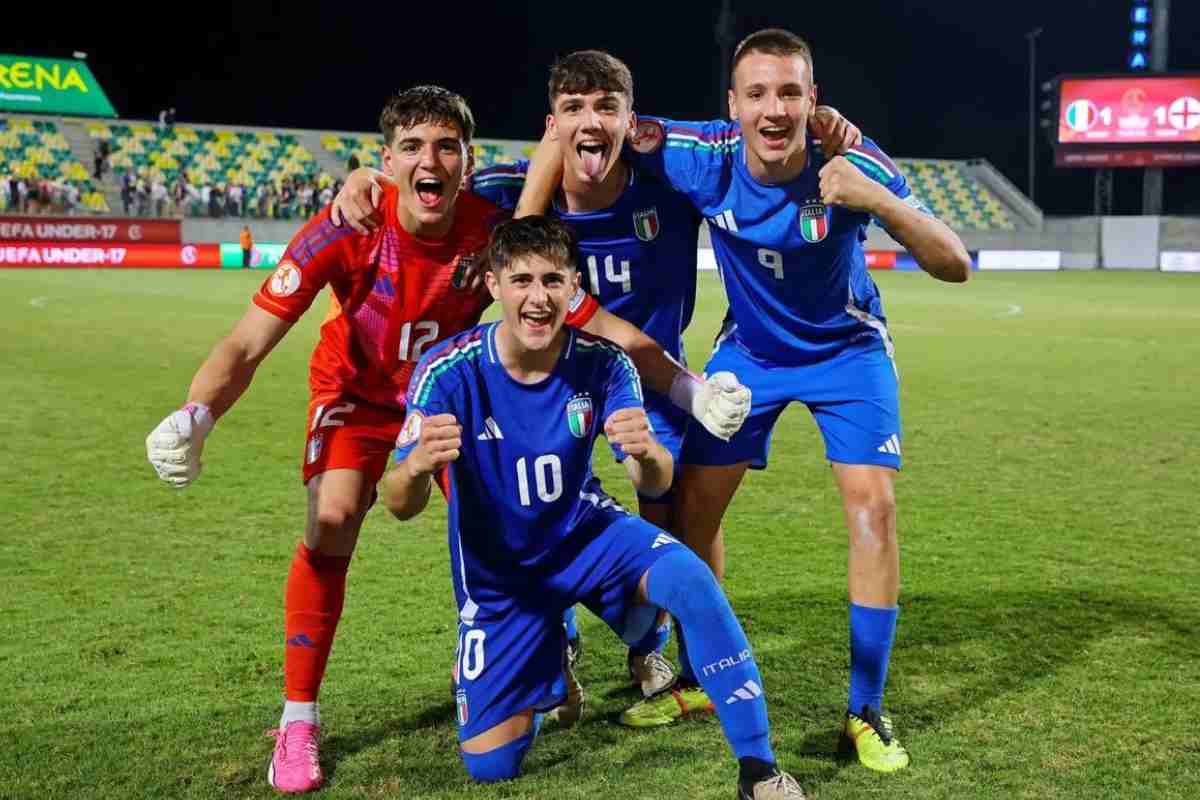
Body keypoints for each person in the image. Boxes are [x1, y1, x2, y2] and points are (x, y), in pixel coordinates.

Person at [145, 85, 750, 796]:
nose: (428, 162)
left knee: (537, 509)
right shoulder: (348, 225)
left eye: (445, 147)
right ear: (386, 160)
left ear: (468, 160)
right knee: (333, 518)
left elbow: (595, 321)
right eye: (410, 148)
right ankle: (299, 716)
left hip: (456, 401)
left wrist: (686, 389)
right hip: (360, 401)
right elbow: (248, 342)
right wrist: (196, 415)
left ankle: (604, 641)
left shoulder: (491, 234)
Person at [332, 52, 860, 719]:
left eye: (606, 107)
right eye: (573, 110)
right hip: (545, 390)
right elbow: (425, 183)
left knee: (673, 515)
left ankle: (663, 652)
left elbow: (752, 154)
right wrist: (363, 179)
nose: (591, 122)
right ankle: (551, 639)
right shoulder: (508, 188)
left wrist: (823, 125)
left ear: (629, 121)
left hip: (650, 381)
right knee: (526, 509)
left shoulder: (666, 187)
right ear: (552, 129)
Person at [515, 29, 969, 772]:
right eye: (757, 93)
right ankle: (695, 677)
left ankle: (865, 709)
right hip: (750, 353)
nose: (774, 109)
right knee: (693, 508)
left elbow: (954, 264)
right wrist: (527, 217)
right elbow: (575, 131)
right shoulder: (697, 153)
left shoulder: (849, 161)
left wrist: (877, 196)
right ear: (733, 105)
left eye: (790, 92)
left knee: (872, 508)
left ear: (813, 100)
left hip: (846, 352)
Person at [382, 215, 806, 799]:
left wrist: (648, 453)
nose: (538, 298)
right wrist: (415, 467)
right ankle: (549, 650)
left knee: (689, 578)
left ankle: (758, 770)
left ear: (574, 287)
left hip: (586, 537)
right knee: (491, 766)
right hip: (501, 580)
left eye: (553, 281)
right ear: (494, 285)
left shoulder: (605, 362)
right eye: (523, 280)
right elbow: (398, 504)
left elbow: (654, 481)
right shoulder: (446, 372)